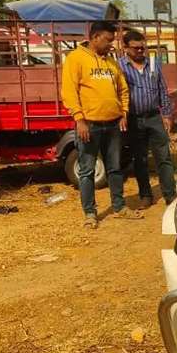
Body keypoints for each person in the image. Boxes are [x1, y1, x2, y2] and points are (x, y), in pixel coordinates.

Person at [60, 20, 142, 228]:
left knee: (114, 168)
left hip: (113, 124)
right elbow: (69, 92)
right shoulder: (76, 59)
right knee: (87, 171)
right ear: (95, 37)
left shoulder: (111, 63)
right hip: (89, 125)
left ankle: (119, 206)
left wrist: (123, 112)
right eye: (107, 40)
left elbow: (123, 89)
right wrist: (79, 119)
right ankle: (90, 214)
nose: (110, 45)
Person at [118, 30, 176, 207]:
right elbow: (118, 93)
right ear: (126, 48)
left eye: (143, 47)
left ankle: (170, 195)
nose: (141, 51)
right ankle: (146, 195)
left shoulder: (153, 63)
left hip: (154, 118)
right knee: (140, 159)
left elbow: (162, 90)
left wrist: (166, 115)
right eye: (136, 49)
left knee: (164, 157)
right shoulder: (120, 67)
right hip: (134, 120)